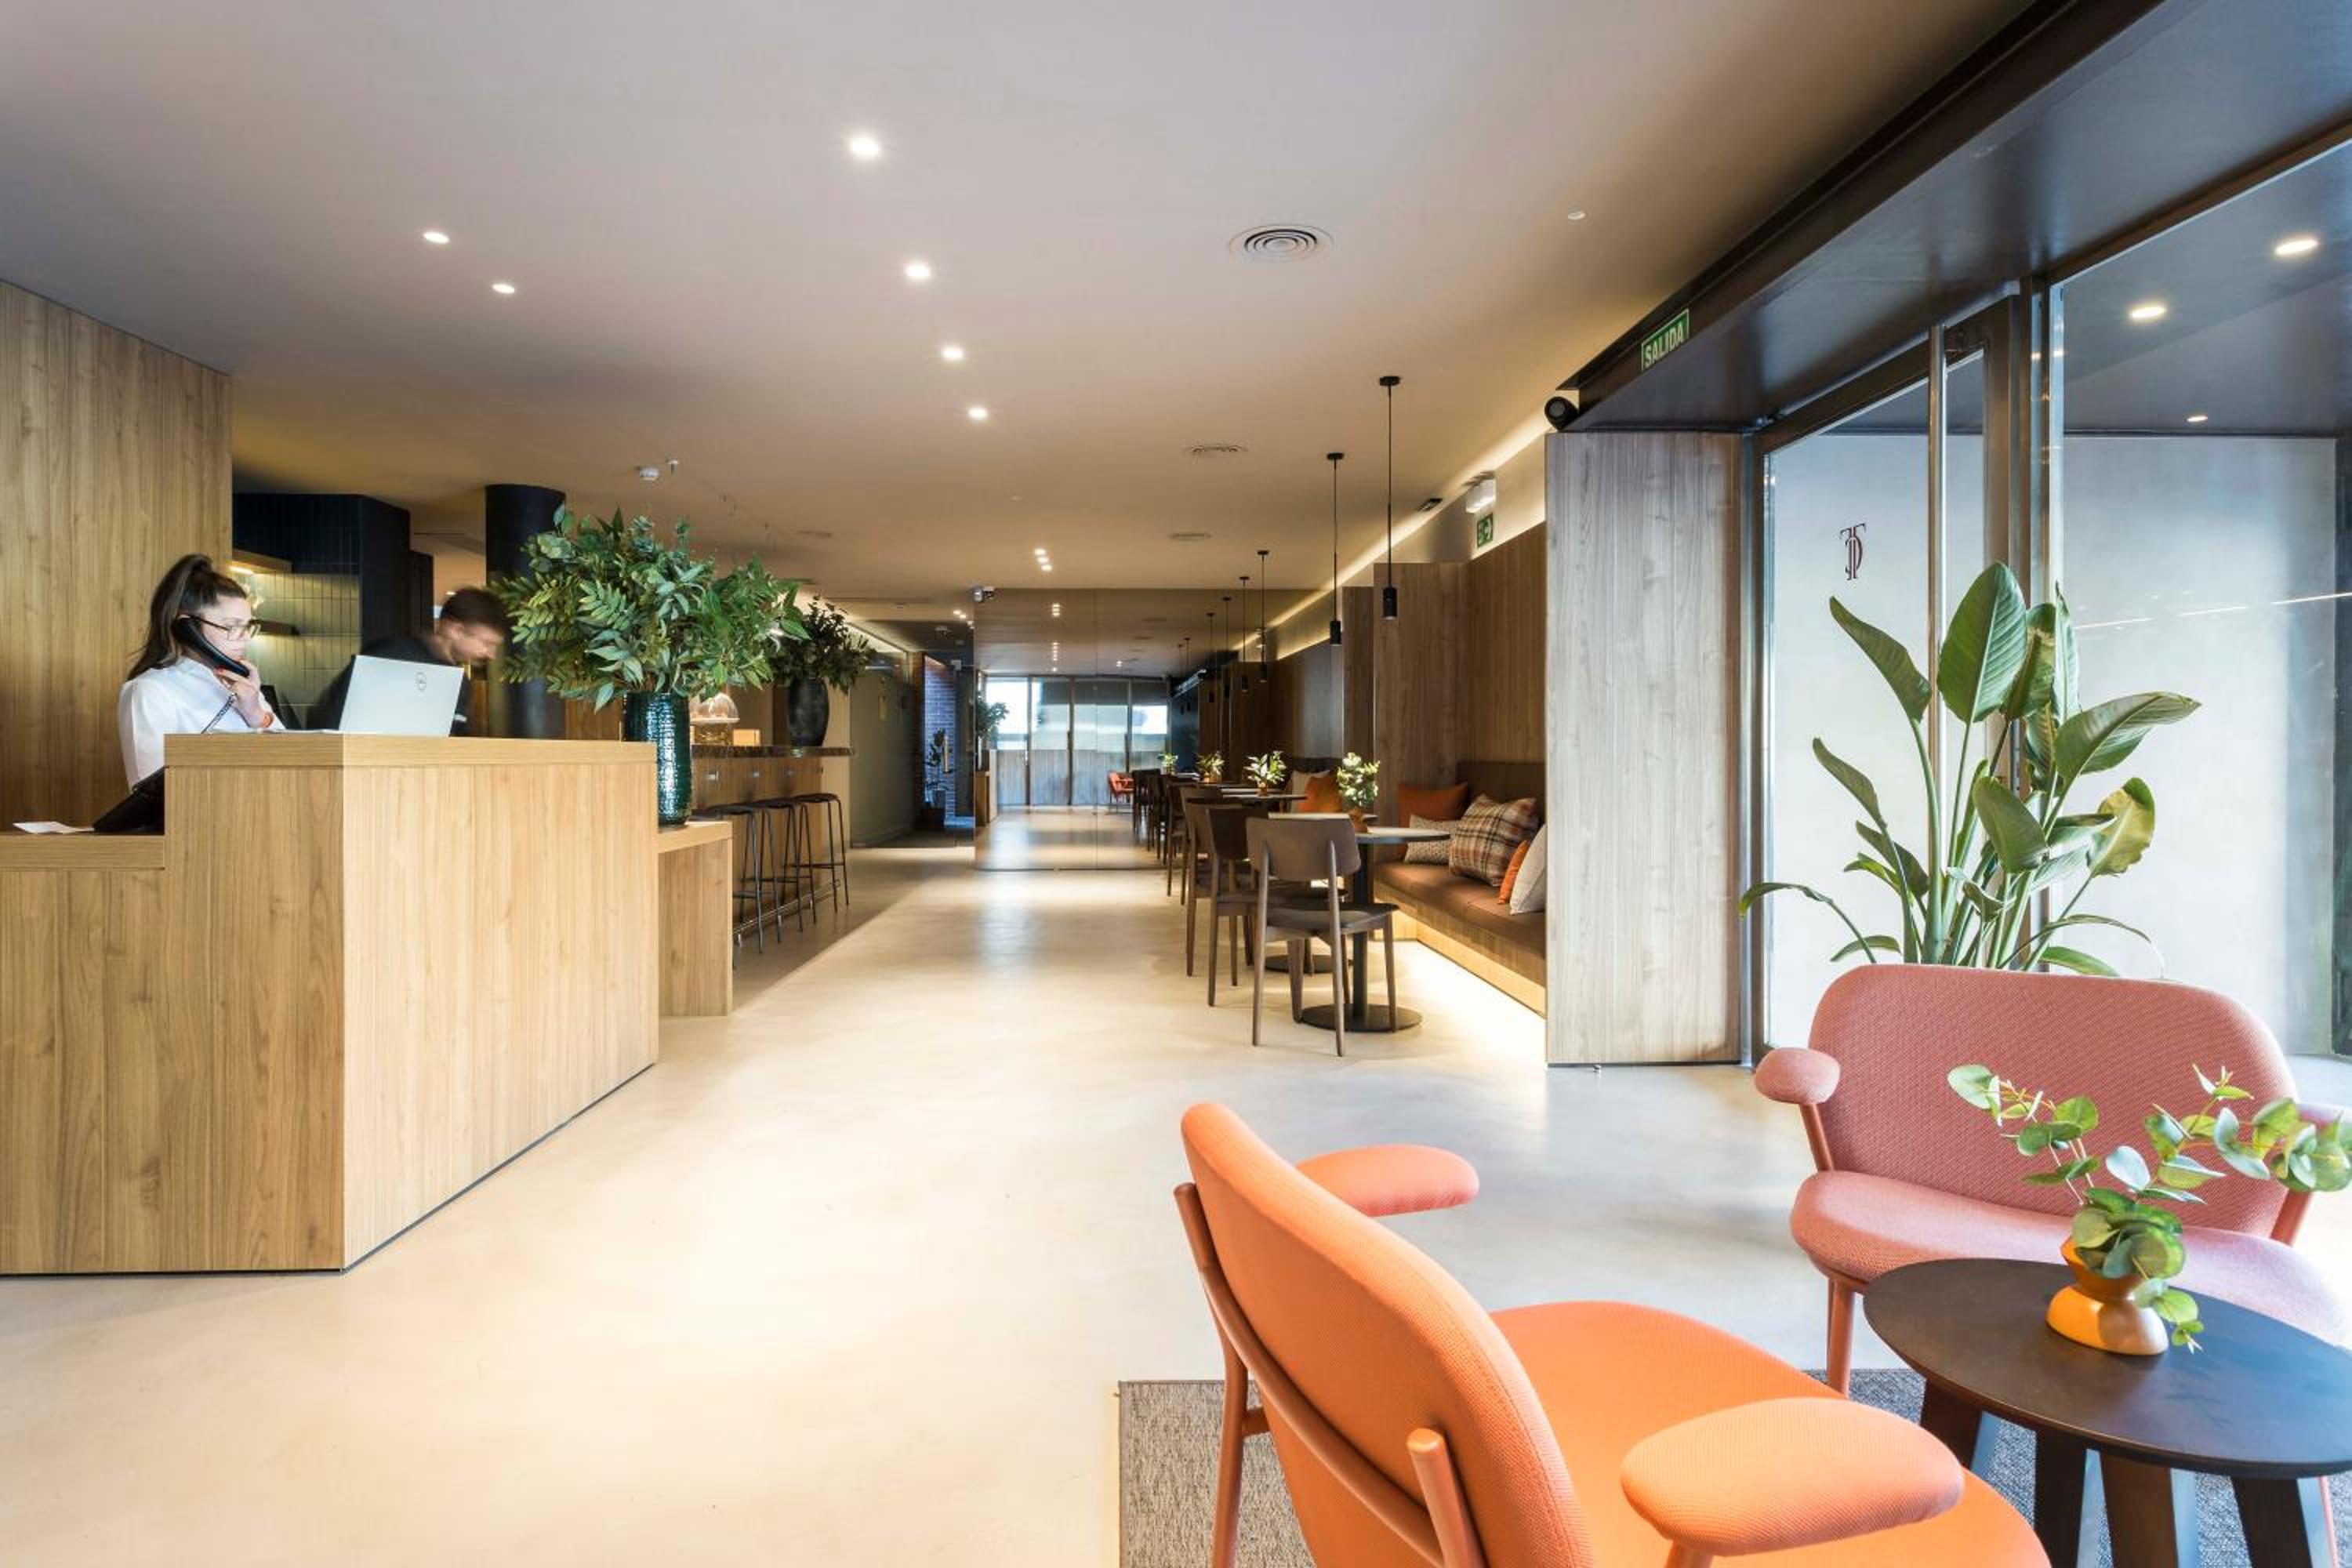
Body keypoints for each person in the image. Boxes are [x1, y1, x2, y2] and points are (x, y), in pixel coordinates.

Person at [118, 554, 283, 786]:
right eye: (231, 627)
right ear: (189, 628)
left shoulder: (245, 689)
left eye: (247, 627)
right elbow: (149, 791)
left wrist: (256, 714)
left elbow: (293, 762)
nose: (245, 638)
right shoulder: (150, 691)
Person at [310, 586, 509, 733]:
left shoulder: (460, 682)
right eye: (486, 643)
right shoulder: (391, 655)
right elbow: (330, 715)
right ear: (455, 630)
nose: (490, 654)